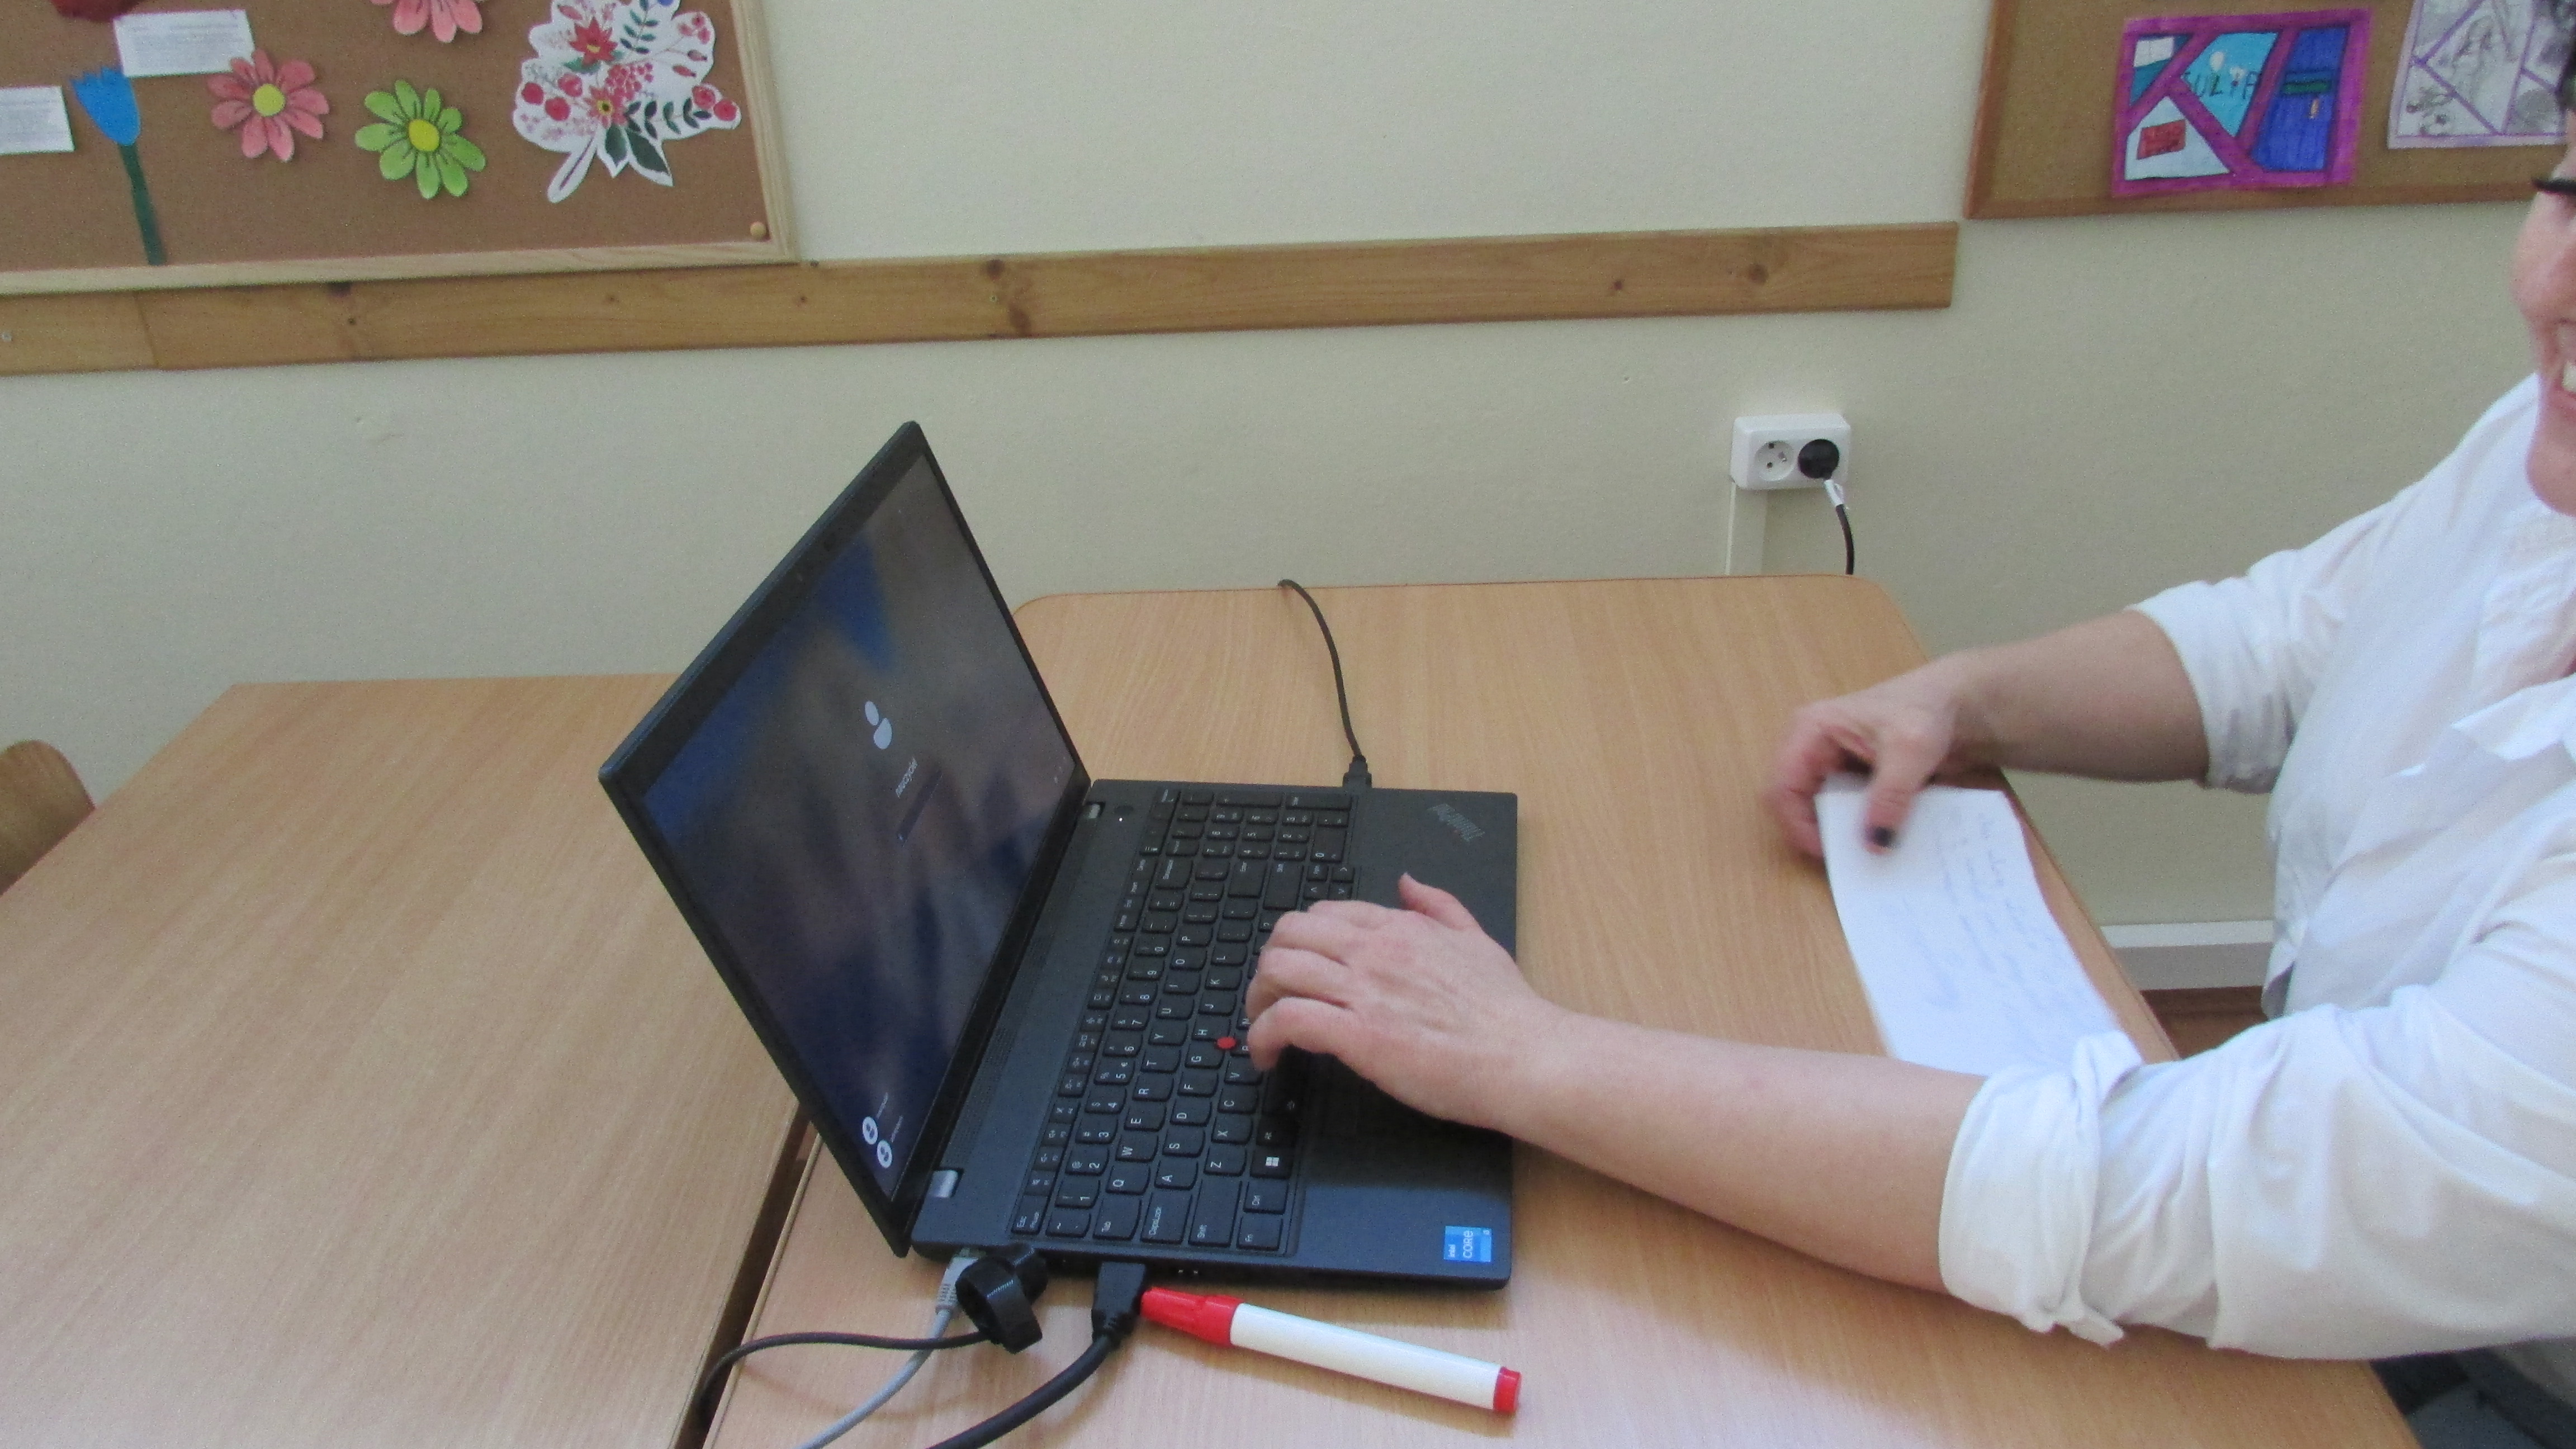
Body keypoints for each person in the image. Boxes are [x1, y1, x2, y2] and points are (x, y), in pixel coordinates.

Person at [1245, 53, 2576, 1449]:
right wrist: (1967, 700)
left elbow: (2153, 1201)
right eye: (2563, 187)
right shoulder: (2540, 446)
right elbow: (2285, 644)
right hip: (2374, 1232)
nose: (2555, 285)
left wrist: (1528, 1058)